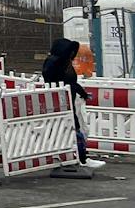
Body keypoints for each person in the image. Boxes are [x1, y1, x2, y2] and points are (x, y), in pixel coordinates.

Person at [41, 36, 104, 169]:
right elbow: (66, 82)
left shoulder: (62, 62)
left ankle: (77, 157)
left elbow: (71, 83)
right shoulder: (57, 63)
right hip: (63, 101)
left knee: (73, 129)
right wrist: (81, 92)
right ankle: (81, 158)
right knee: (75, 129)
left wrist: (81, 93)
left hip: (68, 99)